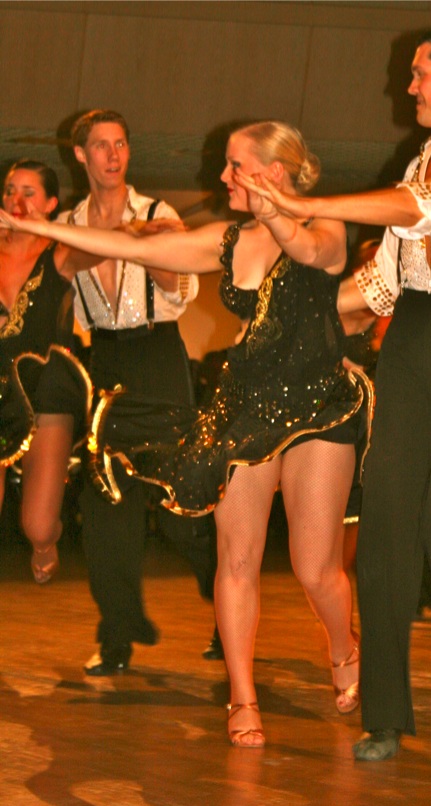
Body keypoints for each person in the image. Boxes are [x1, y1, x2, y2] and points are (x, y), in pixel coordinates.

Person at [237, 25, 431, 761]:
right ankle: (383, 715)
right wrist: (302, 316)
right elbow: (383, 281)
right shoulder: (418, 161)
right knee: (381, 531)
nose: (407, 85)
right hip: (410, 339)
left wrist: (312, 203)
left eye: (419, 73)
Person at [1, 119, 371, 748]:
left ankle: (343, 643)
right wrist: (42, 229)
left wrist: (277, 210)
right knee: (237, 559)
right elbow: (128, 247)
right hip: (244, 409)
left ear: (272, 171)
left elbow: (311, 253)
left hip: (317, 407)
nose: (221, 176)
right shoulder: (230, 240)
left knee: (315, 569)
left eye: (234, 166)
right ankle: (242, 697)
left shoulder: (326, 225)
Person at [61, 110, 217, 676]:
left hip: (157, 355)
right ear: (81, 155)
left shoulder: (158, 214)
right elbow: (64, 263)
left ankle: (226, 599)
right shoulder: (70, 222)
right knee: (105, 503)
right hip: (105, 360)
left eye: (121, 143)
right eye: (102, 145)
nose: (113, 155)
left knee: (182, 506)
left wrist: (148, 249)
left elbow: (180, 287)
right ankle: (118, 632)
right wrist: (121, 239)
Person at [0, 159, 91, 583]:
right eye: (9, 191)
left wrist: (55, 230)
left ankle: (45, 540)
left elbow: (111, 246)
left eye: (28, 192)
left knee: (36, 524)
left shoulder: (60, 253)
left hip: (47, 388)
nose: (16, 201)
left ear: (51, 204)